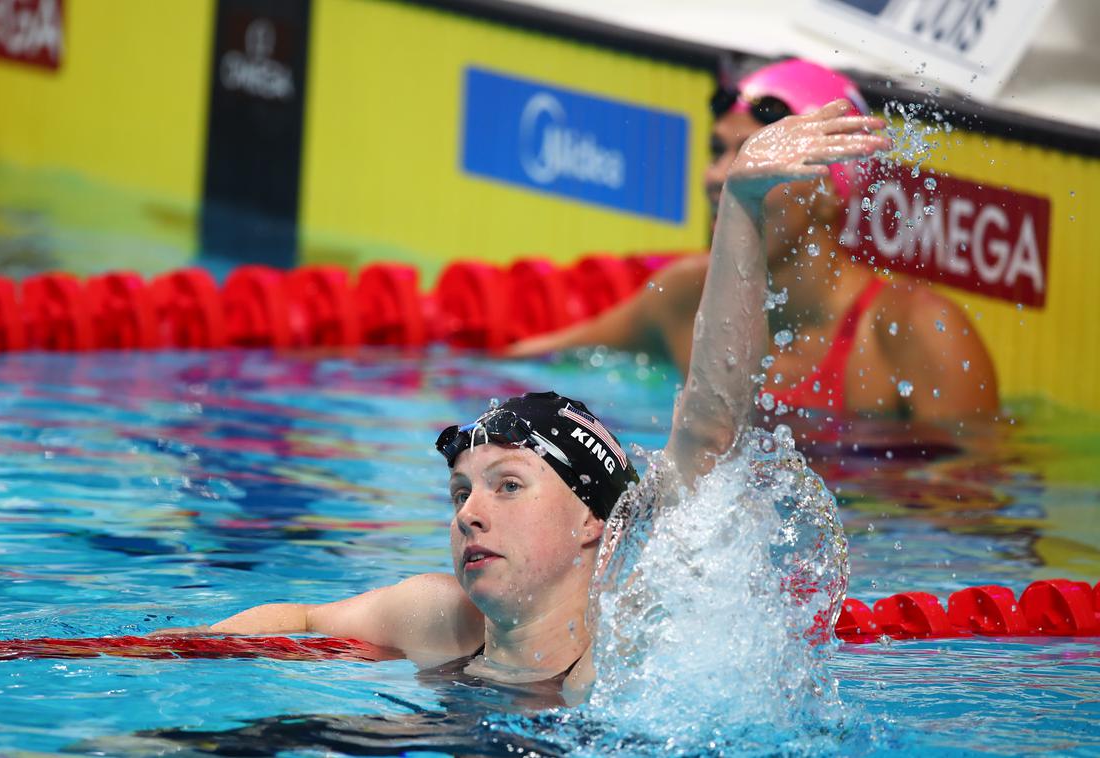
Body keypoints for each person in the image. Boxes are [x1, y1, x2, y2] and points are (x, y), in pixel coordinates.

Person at [153, 100, 891, 703]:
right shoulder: (442, 618)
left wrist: (742, 207)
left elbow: (712, 417)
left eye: (508, 486)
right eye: (462, 492)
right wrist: (148, 659)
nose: (470, 511)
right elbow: (302, 619)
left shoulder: (628, 653)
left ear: (591, 522)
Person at [508, 59, 998, 423]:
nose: (723, 176)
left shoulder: (915, 333)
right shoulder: (686, 298)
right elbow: (523, 366)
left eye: (753, 159)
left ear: (830, 189)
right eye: (718, 151)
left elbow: (974, 518)